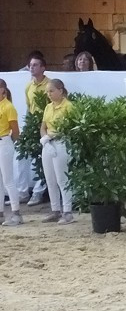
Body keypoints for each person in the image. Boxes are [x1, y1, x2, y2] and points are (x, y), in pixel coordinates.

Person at [40, 78, 75, 225]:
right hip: (48, 143)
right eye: (48, 91)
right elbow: (43, 126)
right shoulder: (48, 107)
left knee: (62, 178)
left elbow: (69, 128)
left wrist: (51, 136)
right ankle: (55, 209)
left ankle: (67, 211)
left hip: (61, 143)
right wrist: (45, 139)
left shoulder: (69, 106)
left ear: (60, 90)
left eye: (52, 91)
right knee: (50, 178)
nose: (49, 94)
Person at [22, 52, 49, 207]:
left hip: (45, 124)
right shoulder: (28, 86)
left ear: (43, 68)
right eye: (30, 65)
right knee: (31, 158)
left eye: (35, 65)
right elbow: (28, 107)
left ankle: (38, 193)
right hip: (33, 125)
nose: (31, 68)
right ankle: (24, 191)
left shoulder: (49, 85)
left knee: (43, 159)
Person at [0, 79, 23, 227]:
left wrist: (12, 142)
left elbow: (15, 130)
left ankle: (16, 213)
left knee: (8, 179)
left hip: (4, 141)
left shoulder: (8, 107)